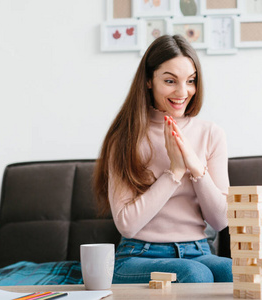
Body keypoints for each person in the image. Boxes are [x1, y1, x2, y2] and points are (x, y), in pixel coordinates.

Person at [93, 34, 232, 283]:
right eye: (170, 81)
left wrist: (196, 169)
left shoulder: (211, 134)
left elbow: (220, 220)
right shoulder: (125, 137)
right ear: (148, 81)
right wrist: (175, 172)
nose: (182, 92)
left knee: (237, 273)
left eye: (191, 81)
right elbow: (127, 224)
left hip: (198, 250)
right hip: (138, 254)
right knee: (195, 275)